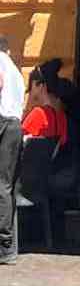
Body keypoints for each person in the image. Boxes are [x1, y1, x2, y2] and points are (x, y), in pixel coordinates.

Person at [0, 35, 24, 264]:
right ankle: (8, 248)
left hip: (3, 122)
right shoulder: (17, 72)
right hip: (16, 125)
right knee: (7, 186)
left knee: (0, 186)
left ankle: (3, 245)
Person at [23, 59, 70, 149]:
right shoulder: (62, 117)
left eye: (31, 87)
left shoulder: (38, 113)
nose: (30, 93)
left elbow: (17, 142)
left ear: (40, 86)